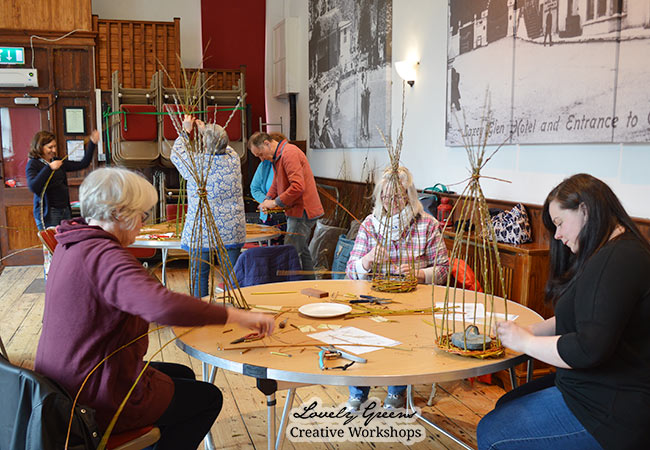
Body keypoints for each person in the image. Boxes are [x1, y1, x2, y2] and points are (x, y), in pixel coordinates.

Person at [34, 167, 274, 450]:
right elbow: (160, 306)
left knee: (181, 374)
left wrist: (199, 307)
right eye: (142, 215)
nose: (142, 224)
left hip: (61, 383)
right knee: (209, 398)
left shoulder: (71, 242)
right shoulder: (106, 257)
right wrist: (236, 316)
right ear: (119, 214)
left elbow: (143, 299)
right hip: (92, 397)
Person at [477, 173, 650, 450]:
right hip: (591, 386)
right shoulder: (608, 252)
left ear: (585, 210)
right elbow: (586, 316)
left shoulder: (620, 259)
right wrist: (529, 331)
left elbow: (588, 349)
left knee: (493, 434)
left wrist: (526, 342)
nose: (557, 235)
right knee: (505, 404)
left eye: (559, 223)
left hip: (614, 407)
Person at [345, 166, 450, 411]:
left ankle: (397, 390)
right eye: (384, 196)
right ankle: (359, 390)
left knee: (404, 339)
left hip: (412, 303)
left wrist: (421, 274)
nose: (389, 202)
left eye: (396, 196)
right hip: (371, 301)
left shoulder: (427, 225)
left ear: (409, 196)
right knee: (361, 335)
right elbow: (350, 270)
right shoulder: (371, 224)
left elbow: (444, 269)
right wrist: (367, 260)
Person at [171, 114, 246, 297]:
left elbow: (176, 153)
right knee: (233, 276)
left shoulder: (197, 164)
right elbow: (222, 145)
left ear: (205, 144)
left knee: (199, 274)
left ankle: (201, 315)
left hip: (203, 228)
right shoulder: (233, 160)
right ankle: (236, 313)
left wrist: (186, 130)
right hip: (231, 228)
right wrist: (208, 132)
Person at [249, 132, 324, 278]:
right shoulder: (278, 156)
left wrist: (275, 202)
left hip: (303, 211)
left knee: (290, 252)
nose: (261, 158)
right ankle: (310, 282)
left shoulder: (289, 153)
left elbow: (297, 187)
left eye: (260, 154)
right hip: (297, 210)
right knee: (302, 250)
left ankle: (289, 286)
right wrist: (267, 199)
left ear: (266, 143)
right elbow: (276, 183)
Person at [26, 129, 99, 230]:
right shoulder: (33, 164)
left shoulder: (57, 161)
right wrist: (49, 168)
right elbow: (33, 186)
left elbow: (84, 163)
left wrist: (92, 143)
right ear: (39, 147)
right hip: (49, 213)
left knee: (66, 241)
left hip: (65, 210)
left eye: (54, 146)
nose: (54, 150)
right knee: (52, 244)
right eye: (50, 147)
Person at [250, 132, 287, 231]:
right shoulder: (264, 165)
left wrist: (277, 203)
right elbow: (254, 188)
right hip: (269, 215)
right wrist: (267, 202)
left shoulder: (287, 161)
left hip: (287, 215)